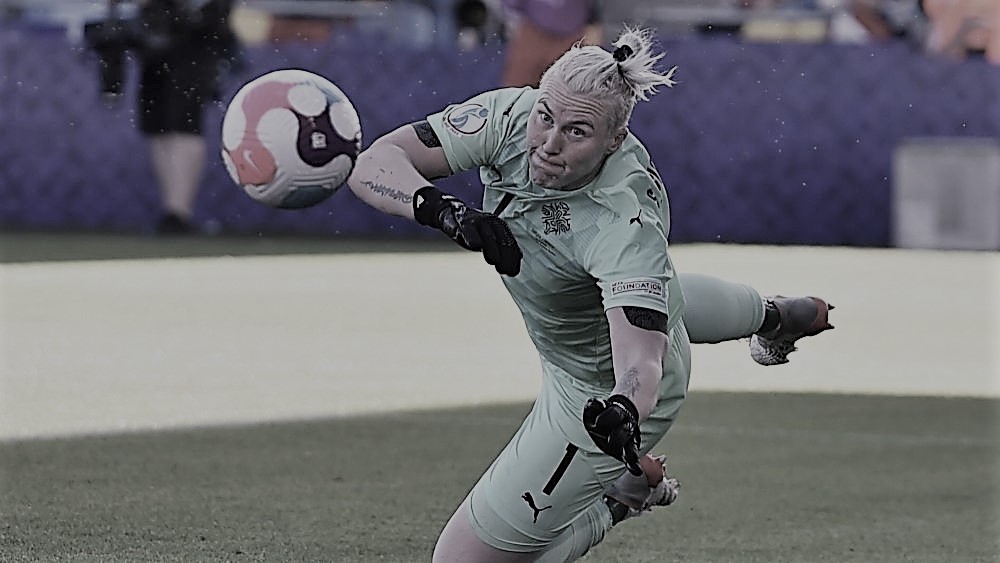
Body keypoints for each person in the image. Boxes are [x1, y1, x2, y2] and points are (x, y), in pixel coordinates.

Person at [345, 27, 833, 562]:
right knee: (668, 302)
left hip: (595, 392)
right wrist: (443, 211)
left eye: (576, 131)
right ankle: (772, 315)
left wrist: (622, 410)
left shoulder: (623, 222)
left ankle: (618, 502)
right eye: (546, 116)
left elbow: (643, 362)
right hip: (583, 326)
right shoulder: (509, 118)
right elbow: (373, 164)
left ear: (614, 141)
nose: (549, 143)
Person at [133, 0, 237, 233]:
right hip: (157, 39)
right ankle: (171, 209)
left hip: (196, 39)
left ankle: (179, 211)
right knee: (158, 127)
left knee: (185, 125)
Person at [500, 0, 603, 87]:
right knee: (518, 85)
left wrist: (593, 24)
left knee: (571, 91)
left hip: (573, 36)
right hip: (533, 32)